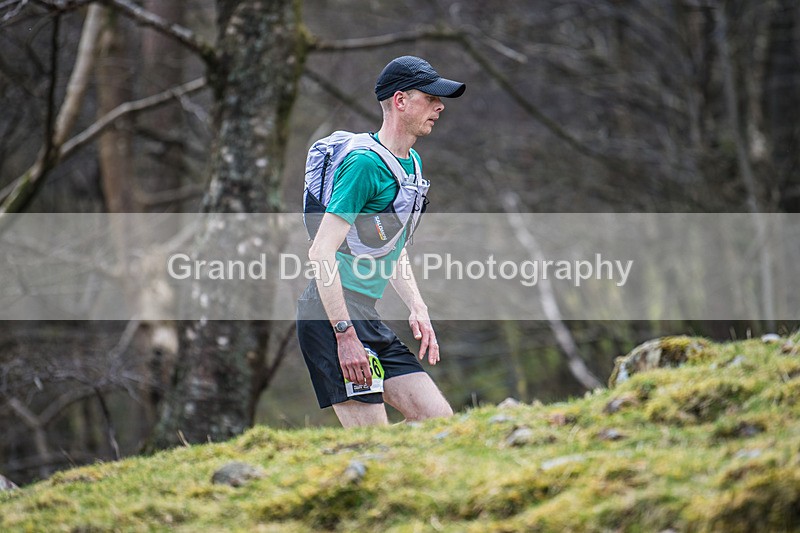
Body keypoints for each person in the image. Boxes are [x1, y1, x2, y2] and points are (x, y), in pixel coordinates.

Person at [296, 56, 466, 427]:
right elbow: (321, 251)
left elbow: (393, 246)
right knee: (373, 447)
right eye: (431, 98)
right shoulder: (363, 165)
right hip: (331, 318)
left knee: (438, 422)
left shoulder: (412, 164)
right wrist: (344, 335)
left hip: (367, 314)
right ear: (401, 101)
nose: (440, 106)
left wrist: (417, 306)